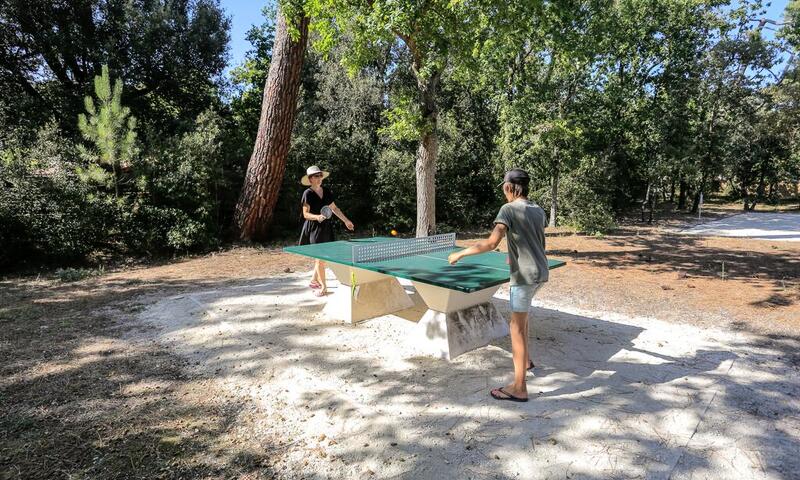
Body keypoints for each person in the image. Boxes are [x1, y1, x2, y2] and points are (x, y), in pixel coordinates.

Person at [448, 168, 548, 402]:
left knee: (516, 328)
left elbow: (492, 243)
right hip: (540, 272)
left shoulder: (508, 209)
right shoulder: (538, 210)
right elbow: (534, 240)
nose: (504, 192)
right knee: (522, 322)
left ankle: (519, 388)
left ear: (511, 187)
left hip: (524, 276)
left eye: (504, 188)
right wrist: (515, 255)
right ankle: (526, 361)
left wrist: (460, 254)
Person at [298, 165, 354, 296]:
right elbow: (305, 214)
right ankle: (323, 288)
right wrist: (317, 217)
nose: (319, 178)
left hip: (326, 228)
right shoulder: (308, 194)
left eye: (320, 176)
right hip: (313, 228)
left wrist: (346, 221)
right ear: (310, 179)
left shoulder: (327, 191)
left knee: (322, 258)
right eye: (316, 176)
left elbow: (335, 209)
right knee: (320, 258)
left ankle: (313, 280)